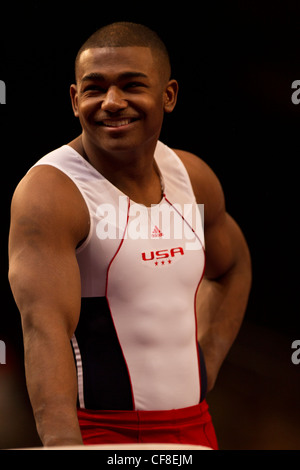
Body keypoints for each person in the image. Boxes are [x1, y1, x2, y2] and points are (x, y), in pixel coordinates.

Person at [8, 22, 252, 449]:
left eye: (131, 85)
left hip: (196, 426)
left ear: (168, 96)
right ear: (74, 98)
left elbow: (232, 267)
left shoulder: (191, 177)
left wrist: (204, 364)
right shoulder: (52, 193)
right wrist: (64, 444)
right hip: (99, 433)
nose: (112, 102)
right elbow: (42, 329)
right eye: (94, 88)